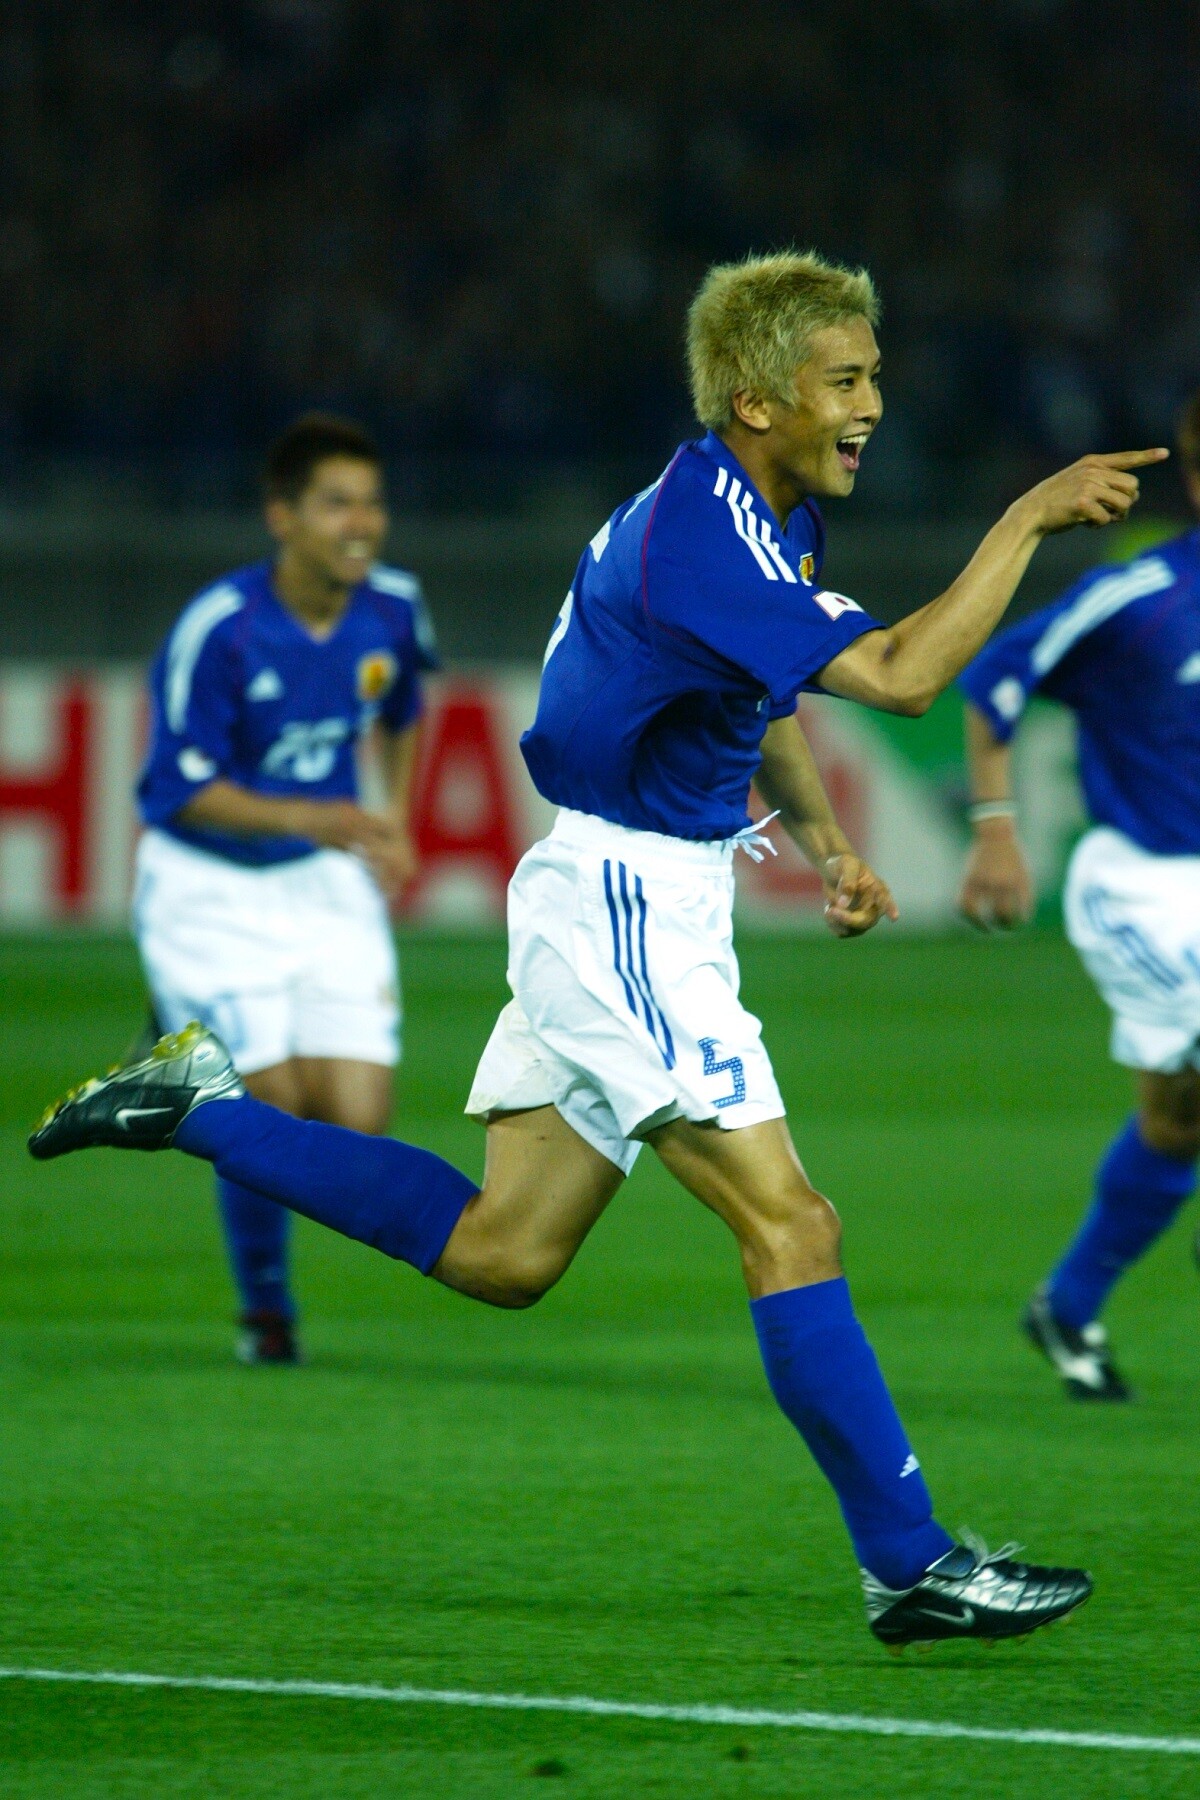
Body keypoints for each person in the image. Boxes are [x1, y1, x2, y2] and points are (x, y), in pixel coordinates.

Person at [31, 252, 1162, 1647]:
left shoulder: (747, 516)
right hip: (628, 904)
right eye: (847, 380)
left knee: (506, 1253)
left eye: (875, 374)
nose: (875, 402)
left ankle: (198, 1109)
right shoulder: (705, 530)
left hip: (626, 893)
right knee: (792, 1225)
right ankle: (912, 1563)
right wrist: (1028, 519)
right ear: (758, 399)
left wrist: (823, 845)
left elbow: (766, 693)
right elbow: (906, 675)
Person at [130, 413, 437, 1363]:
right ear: (283, 517)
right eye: (337, 504)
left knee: (357, 1121)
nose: (362, 523)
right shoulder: (220, 629)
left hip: (321, 878)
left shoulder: (393, 607)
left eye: (373, 503)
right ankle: (266, 1310)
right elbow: (175, 789)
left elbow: (404, 709)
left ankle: (169, 1039)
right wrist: (326, 818)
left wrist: (390, 818)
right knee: (269, 1105)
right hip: (208, 886)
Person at [958, 394, 1200, 1402]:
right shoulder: (1138, 595)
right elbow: (996, 679)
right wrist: (997, 830)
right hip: (1142, 884)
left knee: (1177, 1120)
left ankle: (1068, 1303)